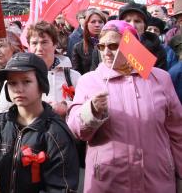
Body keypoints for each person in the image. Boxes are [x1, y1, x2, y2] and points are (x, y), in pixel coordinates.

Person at [67, 20, 182, 193]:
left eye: (113, 45)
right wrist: (90, 111)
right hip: (109, 181)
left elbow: (177, 131)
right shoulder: (89, 80)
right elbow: (76, 131)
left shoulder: (160, 78)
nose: (106, 52)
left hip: (157, 180)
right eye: (101, 46)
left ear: (131, 45)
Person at [0, 52, 79, 192]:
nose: (18, 89)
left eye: (26, 81)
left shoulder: (55, 133)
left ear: (41, 84)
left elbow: (63, 187)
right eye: (12, 83)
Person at [118, 2, 168, 70]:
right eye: (127, 21)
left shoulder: (157, 49)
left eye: (137, 21)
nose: (132, 25)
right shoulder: (111, 46)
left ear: (145, 25)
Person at [71, 9, 106, 74]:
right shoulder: (78, 47)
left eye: (100, 22)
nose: (97, 25)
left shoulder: (112, 45)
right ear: (86, 24)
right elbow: (76, 73)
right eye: (93, 22)